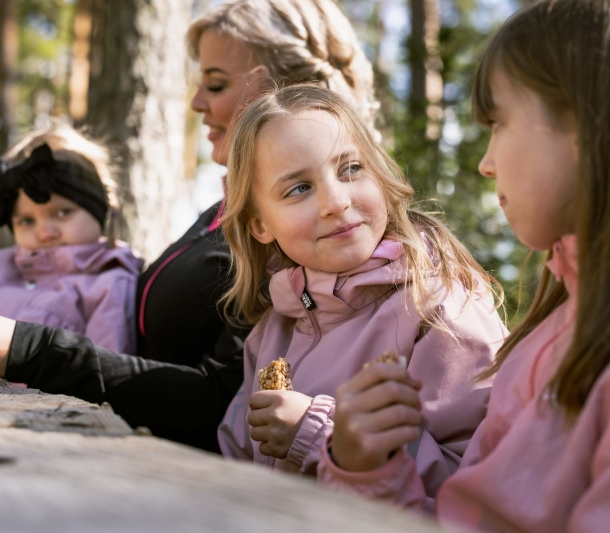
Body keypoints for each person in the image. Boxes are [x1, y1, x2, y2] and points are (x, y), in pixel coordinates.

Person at [319, 1, 610, 531]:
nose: (486, 162)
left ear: (586, 125)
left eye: (498, 123)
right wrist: (367, 466)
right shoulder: (558, 327)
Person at [0, 0, 377, 454]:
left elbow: (219, 405)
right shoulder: (221, 213)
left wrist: (32, 350)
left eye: (215, 83)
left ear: (285, 87)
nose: (197, 101)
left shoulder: (301, 235)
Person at [216, 85, 505, 506]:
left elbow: (469, 492)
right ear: (260, 224)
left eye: (350, 169)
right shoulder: (272, 331)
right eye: (298, 189)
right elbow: (236, 461)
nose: (335, 201)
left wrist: (318, 435)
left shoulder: (440, 313)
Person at [0, 123, 141, 354]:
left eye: (62, 212)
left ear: (99, 209)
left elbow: (104, 372)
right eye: (27, 221)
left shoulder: (109, 285)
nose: (45, 232)